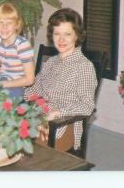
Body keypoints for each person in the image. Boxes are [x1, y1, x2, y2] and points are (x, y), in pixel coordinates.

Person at [24, 8, 98, 152]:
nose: (61, 39)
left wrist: (57, 113)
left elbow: (87, 106)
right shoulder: (50, 62)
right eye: (57, 33)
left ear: (77, 35)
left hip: (63, 124)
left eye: (67, 34)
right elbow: (34, 90)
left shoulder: (84, 67)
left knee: (18, 140)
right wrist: (10, 94)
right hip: (41, 116)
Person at [0, 2, 35, 98]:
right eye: (1, 22)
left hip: (19, 85)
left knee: (2, 104)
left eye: (9, 23)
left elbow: (30, 79)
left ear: (17, 25)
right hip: (2, 80)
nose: (4, 27)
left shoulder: (22, 45)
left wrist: (1, 84)